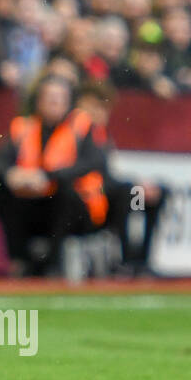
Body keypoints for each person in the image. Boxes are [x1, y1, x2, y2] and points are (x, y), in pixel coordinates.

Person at [0, 73, 107, 277]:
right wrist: (12, 174)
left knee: (64, 195)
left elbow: (95, 161)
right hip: (35, 204)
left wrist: (49, 176)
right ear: (39, 101)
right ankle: (20, 261)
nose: (54, 103)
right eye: (49, 98)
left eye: (59, 99)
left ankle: (53, 263)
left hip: (77, 208)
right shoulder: (24, 127)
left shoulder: (82, 127)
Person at [75, 81, 168, 276]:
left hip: (107, 196)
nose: (98, 112)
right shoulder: (75, 133)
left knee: (157, 193)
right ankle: (124, 260)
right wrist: (133, 186)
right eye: (93, 106)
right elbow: (91, 173)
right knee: (127, 192)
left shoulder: (100, 135)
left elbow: (106, 175)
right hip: (86, 201)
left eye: (102, 107)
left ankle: (142, 260)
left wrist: (140, 186)